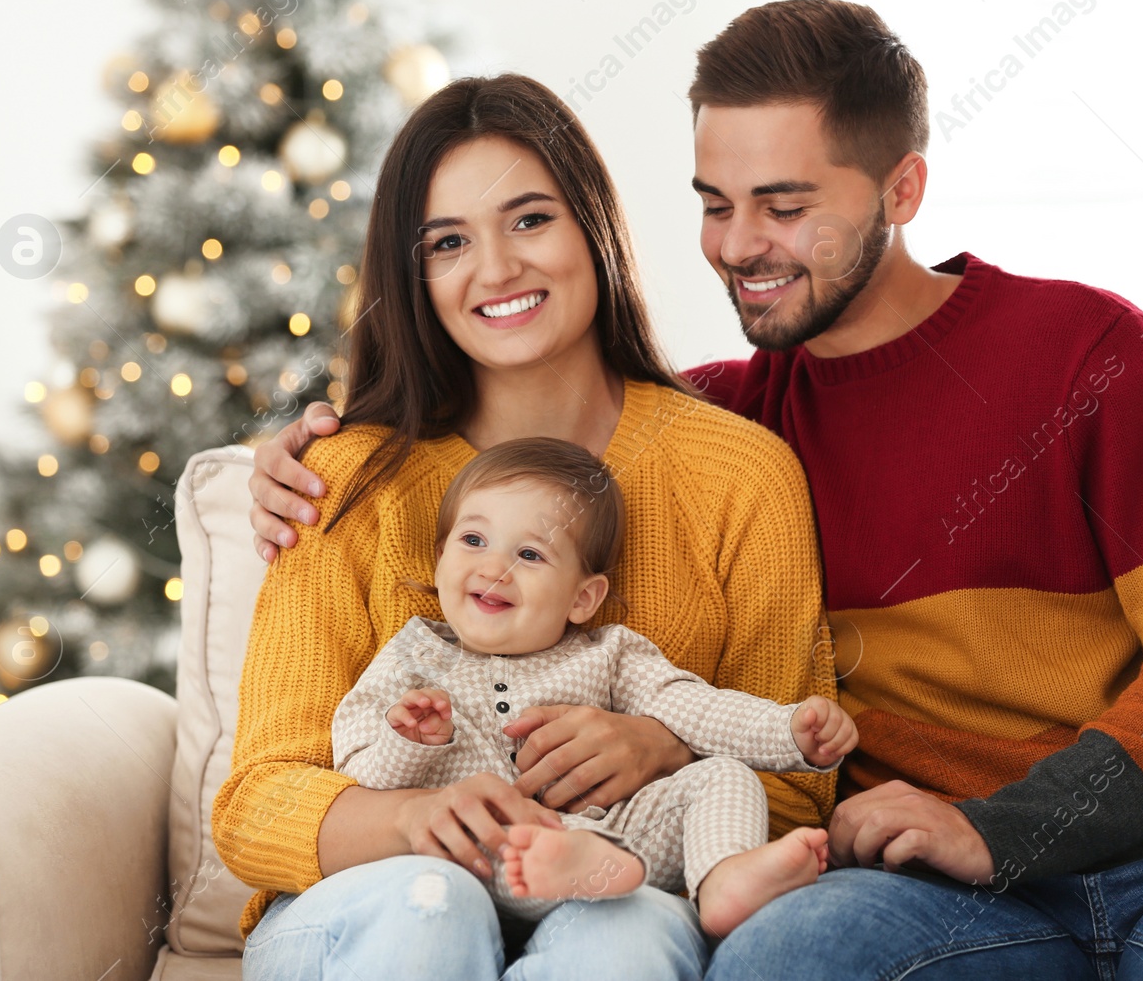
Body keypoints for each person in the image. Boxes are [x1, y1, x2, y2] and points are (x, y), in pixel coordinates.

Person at [252, 0, 1143, 978]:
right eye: (715, 202)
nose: (739, 244)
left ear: (903, 187)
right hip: (927, 890)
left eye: (788, 204)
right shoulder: (732, 420)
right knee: (779, 957)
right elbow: (570, 419)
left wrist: (1002, 824)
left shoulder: (1093, 355)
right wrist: (306, 440)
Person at [211, 72, 836, 981]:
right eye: (449, 241)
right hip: (377, 898)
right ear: (415, 275)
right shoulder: (341, 482)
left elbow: (795, 785)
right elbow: (256, 801)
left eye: (531, 219)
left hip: (608, 883)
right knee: (438, 898)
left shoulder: (741, 475)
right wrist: (408, 821)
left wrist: (662, 743)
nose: (497, 268)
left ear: (593, 226)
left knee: (625, 937)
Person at [332, 436, 858, 938]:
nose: (494, 567)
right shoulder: (411, 657)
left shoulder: (608, 654)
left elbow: (692, 707)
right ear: (442, 558)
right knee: (490, 841)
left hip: (616, 841)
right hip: (484, 857)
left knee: (723, 775)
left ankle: (723, 880)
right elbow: (355, 768)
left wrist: (788, 732)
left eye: (531, 555)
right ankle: (583, 865)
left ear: (583, 598)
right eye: (473, 541)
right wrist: (407, 742)